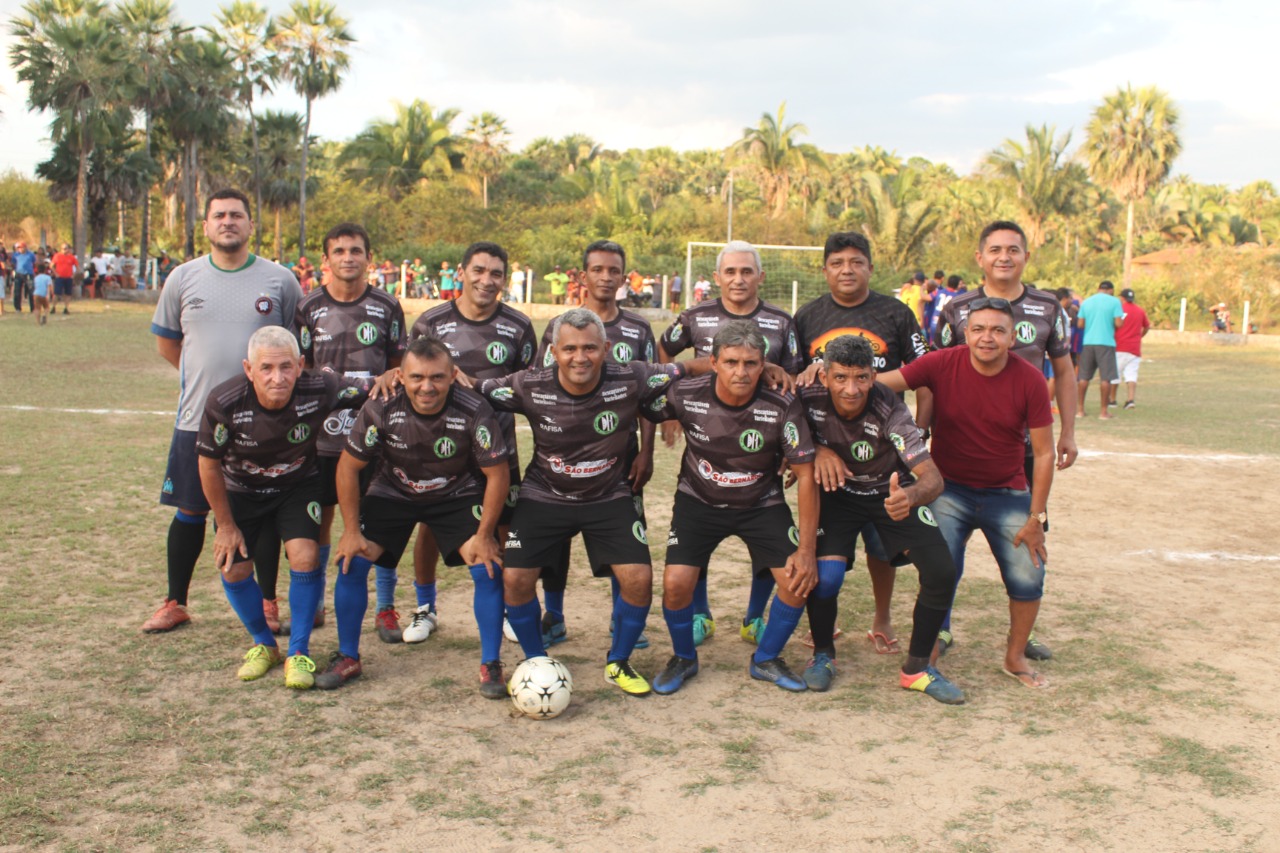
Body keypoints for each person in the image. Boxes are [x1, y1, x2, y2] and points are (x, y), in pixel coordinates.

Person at [479, 308, 687, 697]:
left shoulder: (631, 376)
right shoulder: (528, 384)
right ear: (553, 352)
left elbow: (688, 368)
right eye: (570, 348)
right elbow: (471, 389)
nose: (580, 357)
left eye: (590, 348)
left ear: (606, 348)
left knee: (639, 579)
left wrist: (771, 371)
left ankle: (619, 661)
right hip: (544, 494)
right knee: (516, 578)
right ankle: (536, 660)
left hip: (608, 495)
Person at [142, 188, 303, 634]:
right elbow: (168, 344)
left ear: (251, 225)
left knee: (262, 512)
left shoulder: (280, 280)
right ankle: (175, 601)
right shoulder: (182, 278)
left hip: (265, 423)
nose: (228, 222)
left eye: (236, 215)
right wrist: (212, 390)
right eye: (219, 216)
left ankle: (268, 603)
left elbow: (292, 346)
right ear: (207, 226)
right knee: (191, 511)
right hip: (198, 419)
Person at [879, 297, 1056, 690]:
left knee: (1028, 573)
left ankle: (1014, 655)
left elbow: (1044, 453)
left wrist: (1036, 518)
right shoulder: (943, 362)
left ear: (1013, 337)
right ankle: (932, 645)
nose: (986, 338)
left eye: (997, 330)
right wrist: (829, 374)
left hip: (1006, 491)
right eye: (978, 329)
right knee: (939, 569)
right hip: (948, 488)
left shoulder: (1029, 379)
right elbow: (883, 381)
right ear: (965, 332)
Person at [325, 336, 510, 694]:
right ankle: (348, 656)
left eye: (438, 377)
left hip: (455, 492)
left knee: (487, 564)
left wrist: (486, 534)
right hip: (393, 491)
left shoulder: (474, 408)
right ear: (401, 375)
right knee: (352, 558)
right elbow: (347, 469)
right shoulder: (381, 405)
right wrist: (350, 530)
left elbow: (497, 474)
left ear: (453, 375)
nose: (427, 386)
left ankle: (491, 663)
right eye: (417, 378)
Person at [933, 221, 1078, 659]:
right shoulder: (957, 309)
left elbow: (1066, 370)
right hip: (960, 450)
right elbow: (931, 373)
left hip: (1024, 454)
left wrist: (1068, 429)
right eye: (994, 249)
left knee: (1027, 540)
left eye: (1013, 249)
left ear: (1026, 256)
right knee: (944, 549)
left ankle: (1023, 635)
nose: (1004, 256)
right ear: (979, 258)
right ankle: (938, 627)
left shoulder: (1049, 306)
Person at [649, 320, 818, 695]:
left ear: (764, 366)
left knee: (797, 581)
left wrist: (806, 551)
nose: (740, 372)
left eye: (750, 363)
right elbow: (636, 404)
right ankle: (683, 657)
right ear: (713, 362)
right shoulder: (685, 393)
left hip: (761, 503)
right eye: (730, 362)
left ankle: (766, 659)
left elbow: (806, 477)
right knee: (676, 585)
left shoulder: (782, 403)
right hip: (698, 501)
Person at [195, 326, 365, 689]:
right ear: (248, 369)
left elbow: (372, 387)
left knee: (305, 557)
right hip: (241, 490)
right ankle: (264, 644)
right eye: (267, 368)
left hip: (296, 487)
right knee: (234, 569)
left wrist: (393, 378)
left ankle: (298, 652)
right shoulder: (224, 401)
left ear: (301, 364)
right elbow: (208, 464)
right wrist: (225, 525)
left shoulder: (320, 386)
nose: (278, 377)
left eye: (286, 367)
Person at [799, 334, 963, 702]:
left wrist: (911, 496)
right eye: (841, 377)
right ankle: (823, 654)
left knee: (941, 571)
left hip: (890, 494)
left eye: (861, 378)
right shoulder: (806, 394)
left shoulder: (890, 408)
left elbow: (932, 478)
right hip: (836, 494)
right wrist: (819, 450)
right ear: (824, 377)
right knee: (825, 578)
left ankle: (917, 669)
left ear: (874, 377)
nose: (852, 388)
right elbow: (778, 421)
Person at [659, 239, 804, 646]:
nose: (738, 279)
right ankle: (700, 613)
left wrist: (795, 447)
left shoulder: (781, 320)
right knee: (698, 527)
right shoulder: (695, 316)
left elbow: (792, 380)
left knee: (766, 532)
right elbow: (664, 353)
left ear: (759, 276)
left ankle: (755, 616)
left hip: (763, 445)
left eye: (746, 271)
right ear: (718, 276)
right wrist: (674, 412)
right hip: (708, 436)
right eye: (730, 271)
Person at [793, 231, 930, 656]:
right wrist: (814, 450)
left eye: (856, 261)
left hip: (885, 453)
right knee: (822, 546)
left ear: (870, 267)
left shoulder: (897, 314)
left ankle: (882, 616)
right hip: (828, 457)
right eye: (837, 262)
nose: (847, 269)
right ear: (825, 270)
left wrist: (921, 438)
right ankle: (818, 624)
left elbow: (927, 376)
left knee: (880, 545)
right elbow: (794, 391)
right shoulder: (807, 317)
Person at [270, 222, 406, 639]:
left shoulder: (387, 305)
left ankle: (386, 607)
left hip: (376, 433)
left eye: (356, 250)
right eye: (340, 251)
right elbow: (303, 367)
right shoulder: (309, 307)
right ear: (326, 259)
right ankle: (317, 605)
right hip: (323, 435)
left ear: (369, 257)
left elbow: (400, 366)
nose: (348, 257)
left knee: (378, 517)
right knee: (323, 516)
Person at [529, 240, 659, 649]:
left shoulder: (638, 329)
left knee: (625, 539)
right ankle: (555, 616)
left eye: (613, 270)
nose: (606, 277)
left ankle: (621, 622)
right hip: (560, 459)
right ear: (582, 276)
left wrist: (647, 450)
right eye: (597, 270)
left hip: (617, 459)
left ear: (624, 277)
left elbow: (648, 397)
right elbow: (538, 388)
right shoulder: (559, 326)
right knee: (554, 539)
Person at [406, 242, 537, 641]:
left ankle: (506, 612)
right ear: (461, 272)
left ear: (504, 279)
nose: (486, 280)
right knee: (431, 525)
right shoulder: (430, 321)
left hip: (498, 449)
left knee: (501, 526)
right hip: (440, 451)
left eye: (496, 273)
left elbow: (529, 386)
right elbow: (410, 380)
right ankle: (425, 608)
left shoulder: (518, 326)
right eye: (478, 270)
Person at [1075, 280, 1125, 419]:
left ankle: (1080, 410)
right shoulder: (1114, 302)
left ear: (1098, 289)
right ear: (1111, 290)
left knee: (1084, 377)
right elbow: (1118, 323)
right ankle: (1103, 411)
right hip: (1106, 343)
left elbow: (1080, 323)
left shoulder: (1087, 302)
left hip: (1088, 342)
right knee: (1106, 378)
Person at [1115, 288, 1151, 409]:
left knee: (1115, 375)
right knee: (1131, 374)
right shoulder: (1140, 311)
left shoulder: (1119, 309)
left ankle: (1112, 399)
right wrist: (1140, 336)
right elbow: (1147, 326)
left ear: (1122, 298)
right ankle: (1130, 400)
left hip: (1119, 346)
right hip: (1134, 347)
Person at [50, 243, 77, 313]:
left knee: (68, 293)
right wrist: (56, 273)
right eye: (63, 249)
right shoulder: (57, 256)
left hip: (68, 278)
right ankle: (53, 307)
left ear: (68, 249)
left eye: (66, 248)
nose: (64, 250)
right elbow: (51, 265)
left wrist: (73, 275)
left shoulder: (72, 257)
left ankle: (66, 308)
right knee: (56, 293)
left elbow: (77, 267)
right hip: (59, 277)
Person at [12, 241, 36, 313]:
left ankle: (33, 308)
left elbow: (34, 262)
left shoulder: (30, 254)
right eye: (18, 248)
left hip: (28, 274)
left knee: (31, 291)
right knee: (17, 291)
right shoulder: (16, 255)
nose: (20, 249)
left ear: (25, 247)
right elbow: (13, 263)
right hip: (19, 274)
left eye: (21, 247)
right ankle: (18, 308)